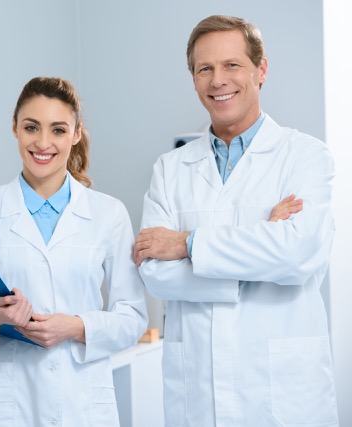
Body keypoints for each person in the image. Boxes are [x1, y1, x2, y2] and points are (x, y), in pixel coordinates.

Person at [133, 15, 339, 427]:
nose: (217, 80)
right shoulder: (170, 169)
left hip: (282, 397)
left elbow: (298, 255)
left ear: (260, 70)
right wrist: (262, 248)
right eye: (204, 68)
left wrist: (187, 245)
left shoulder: (305, 156)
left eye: (232, 65)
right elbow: (156, 274)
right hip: (198, 394)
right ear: (193, 79)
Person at [0, 76, 148, 427]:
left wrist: (74, 327)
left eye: (58, 130)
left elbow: (132, 317)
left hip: (83, 403)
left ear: (76, 134)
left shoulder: (108, 213)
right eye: (31, 127)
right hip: (10, 404)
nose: (43, 143)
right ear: (15, 129)